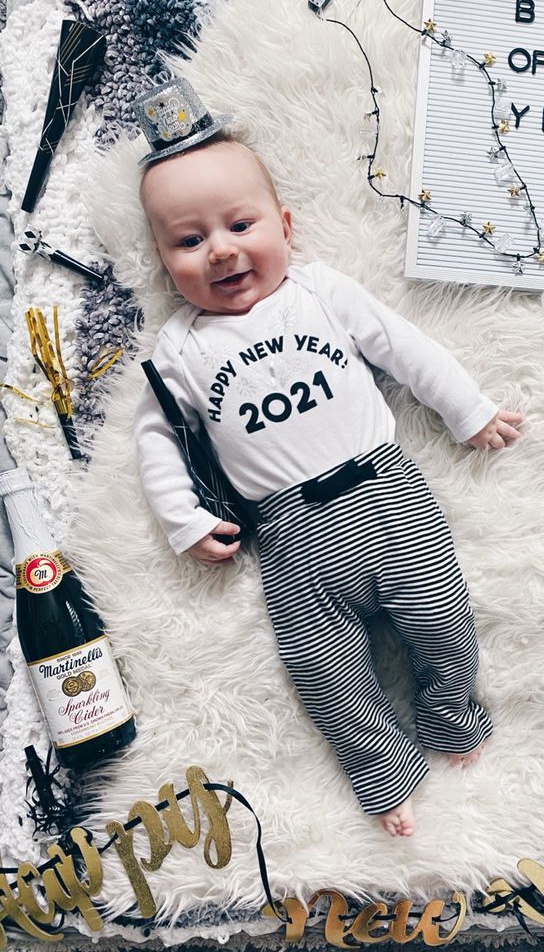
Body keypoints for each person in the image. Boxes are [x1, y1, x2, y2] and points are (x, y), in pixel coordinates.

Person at [132, 79, 523, 837]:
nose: (220, 250)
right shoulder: (178, 348)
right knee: (324, 672)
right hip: (289, 537)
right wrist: (181, 518)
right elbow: (158, 439)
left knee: (446, 623)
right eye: (189, 241)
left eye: (240, 224)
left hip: (389, 499)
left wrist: (465, 407)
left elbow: (403, 347)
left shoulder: (318, 292)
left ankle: (450, 712)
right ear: (163, 259)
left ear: (284, 223)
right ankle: (381, 767)